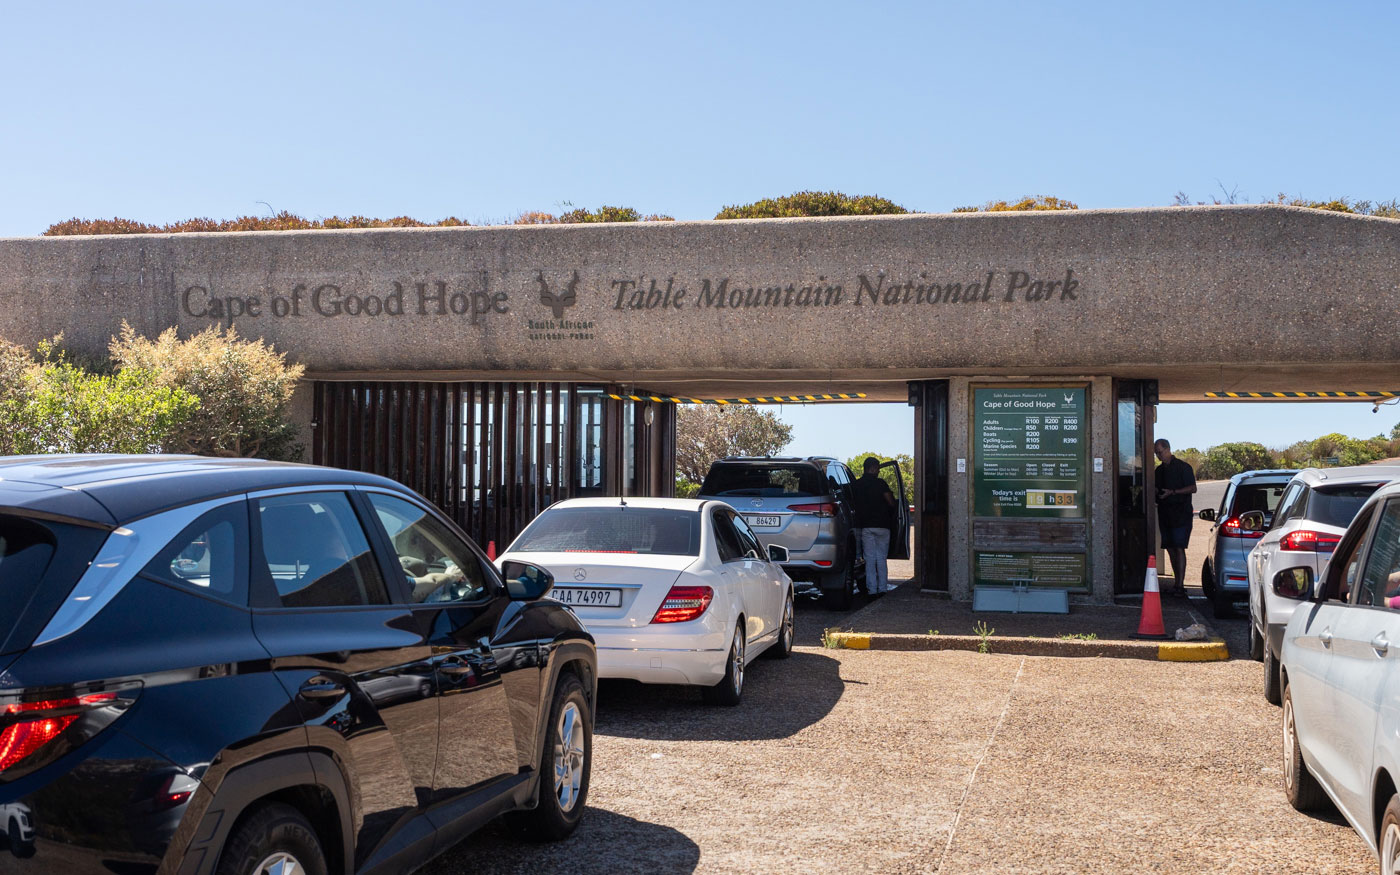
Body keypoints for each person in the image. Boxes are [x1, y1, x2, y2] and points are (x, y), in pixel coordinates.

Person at [1153, 438, 1197, 597]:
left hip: (1181, 513)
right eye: (1156, 453)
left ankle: (1180, 584)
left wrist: (1173, 492)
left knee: (1179, 547)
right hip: (1165, 513)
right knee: (1170, 548)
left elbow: (1193, 488)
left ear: (1168, 449)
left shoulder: (1183, 467)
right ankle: (1176, 582)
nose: (1158, 456)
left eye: (1160, 452)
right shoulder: (1158, 471)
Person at [852, 456, 898, 596]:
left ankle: (871, 591)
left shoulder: (857, 485)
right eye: (877, 468)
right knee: (881, 559)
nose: (878, 471)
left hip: (866, 527)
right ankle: (882, 589)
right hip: (883, 526)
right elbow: (891, 503)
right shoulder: (881, 484)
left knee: (870, 560)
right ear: (872, 468)